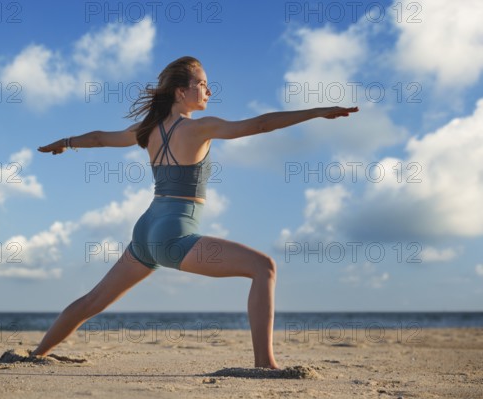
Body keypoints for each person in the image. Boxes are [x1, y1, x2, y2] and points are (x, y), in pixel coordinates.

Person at [34, 56, 358, 369]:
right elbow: (260, 124)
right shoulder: (200, 128)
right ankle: (265, 363)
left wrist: (64, 142)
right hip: (173, 233)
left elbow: (100, 138)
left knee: (93, 300)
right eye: (202, 84)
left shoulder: (147, 128)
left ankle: (36, 354)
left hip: (146, 230)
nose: (209, 91)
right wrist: (317, 111)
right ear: (180, 91)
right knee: (264, 267)